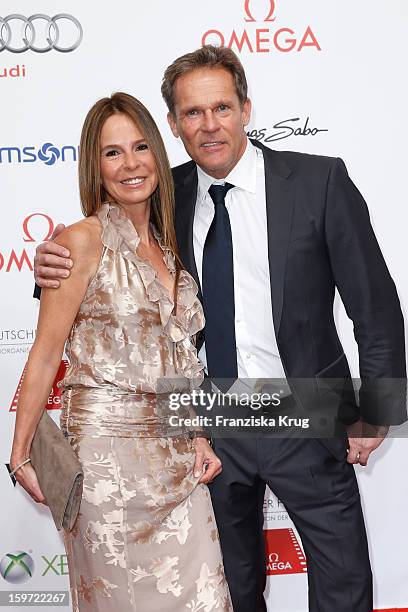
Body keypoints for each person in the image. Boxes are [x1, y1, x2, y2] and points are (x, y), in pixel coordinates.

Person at [33, 46, 406, 612]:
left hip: (305, 413)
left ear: (246, 108)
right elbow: (102, 261)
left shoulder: (318, 181)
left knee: (343, 577)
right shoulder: (162, 193)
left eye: (222, 108)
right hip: (207, 427)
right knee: (229, 585)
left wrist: (376, 409)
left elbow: (374, 307)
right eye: (192, 113)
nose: (209, 125)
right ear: (175, 125)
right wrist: (47, 266)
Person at [11, 92, 233, 612]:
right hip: (106, 473)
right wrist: (20, 453)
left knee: (208, 600)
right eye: (113, 153)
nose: (131, 164)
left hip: (178, 467)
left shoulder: (168, 243)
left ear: (158, 152)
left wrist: (198, 435)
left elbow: (177, 361)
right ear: (94, 164)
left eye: (140, 147)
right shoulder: (80, 241)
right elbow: (44, 356)